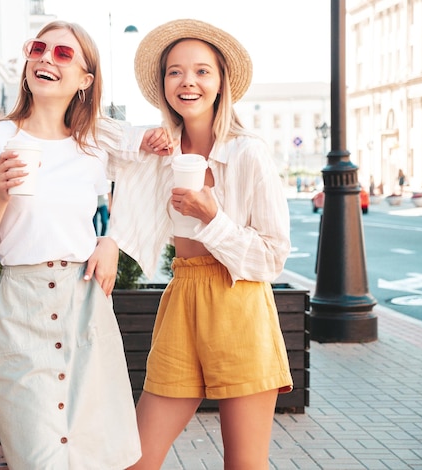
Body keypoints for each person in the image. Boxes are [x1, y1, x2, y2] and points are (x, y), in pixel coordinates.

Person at [0, 20, 171, 469]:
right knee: (37, 456)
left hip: (85, 302)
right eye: (39, 48)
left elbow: (147, 177)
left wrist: (111, 241)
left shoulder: (93, 145)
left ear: (84, 80)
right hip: (23, 307)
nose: (46, 59)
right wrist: (0, 195)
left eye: (63, 54)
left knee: (100, 453)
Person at [107, 19, 294, 469]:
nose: (187, 81)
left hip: (240, 304)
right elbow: (81, 132)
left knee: (244, 464)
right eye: (174, 71)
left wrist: (212, 218)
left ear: (220, 82)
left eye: (201, 71)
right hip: (183, 296)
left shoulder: (249, 152)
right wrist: (140, 140)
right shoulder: (159, 149)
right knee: (135, 459)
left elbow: (272, 257)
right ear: (163, 83)